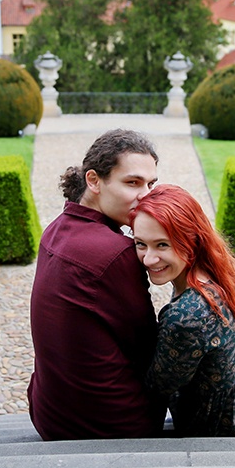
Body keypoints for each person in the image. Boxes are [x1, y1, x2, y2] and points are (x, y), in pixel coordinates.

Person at [27, 129, 167, 440]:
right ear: (93, 181)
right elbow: (148, 351)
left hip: (49, 414)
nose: (146, 196)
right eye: (132, 183)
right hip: (112, 425)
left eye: (151, 184)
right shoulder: (115, 253)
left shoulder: (55, 230)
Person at [131, 184, 235, 437]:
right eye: (141, 244)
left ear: (192, 241)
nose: (148, 259)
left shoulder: (186, 317)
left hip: (234, 430)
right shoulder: (212, 269)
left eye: (162, 245)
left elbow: (158, 385)